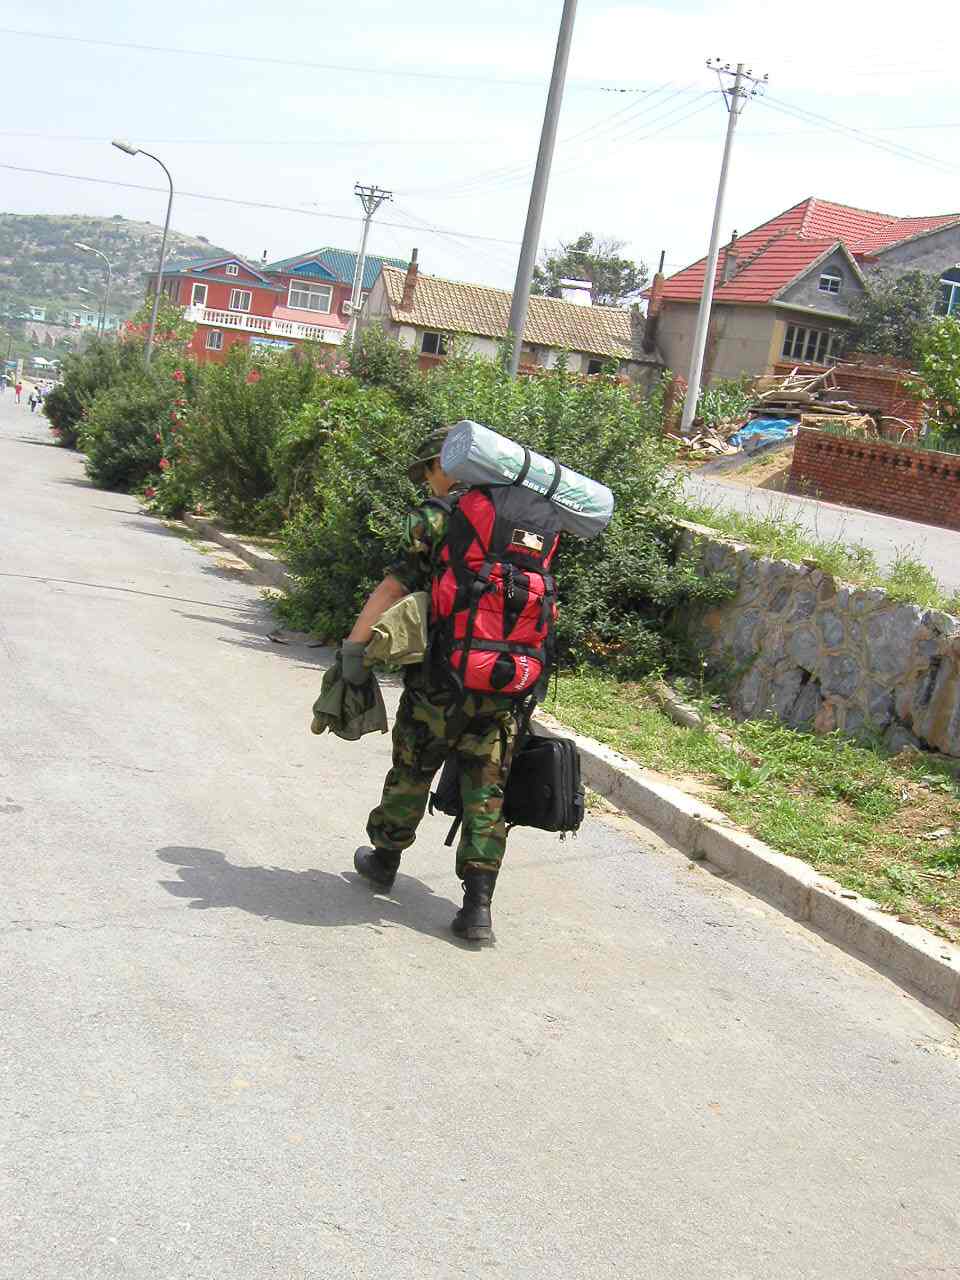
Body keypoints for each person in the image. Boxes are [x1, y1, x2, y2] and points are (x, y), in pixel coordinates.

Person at [347, 428, 526, 942]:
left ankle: (384, 859)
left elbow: (394, 586)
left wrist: (353, 648)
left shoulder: (434, 518)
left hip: (442, 679)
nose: (427, 481)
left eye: (428, 471)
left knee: (413, 767)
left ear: (442, 466)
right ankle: (478, 908)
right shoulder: (522, 518)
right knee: (486, 789)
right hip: (506, 679)